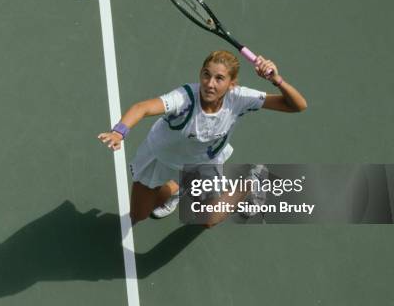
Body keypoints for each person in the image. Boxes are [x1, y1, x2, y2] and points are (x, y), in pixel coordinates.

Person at [98, 50, 307, 226]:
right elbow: (142, 108)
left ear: (232, 84)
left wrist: (276, 80)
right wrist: (119, 131)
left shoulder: (240, 98)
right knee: (138, 215)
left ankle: (252, 182)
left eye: (219, 78)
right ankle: (178, 187)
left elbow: (297, 106)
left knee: (209, 220)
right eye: (206, 75)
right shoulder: (184, 98)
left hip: (202, 164)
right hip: (161, 159)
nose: (210, 84)